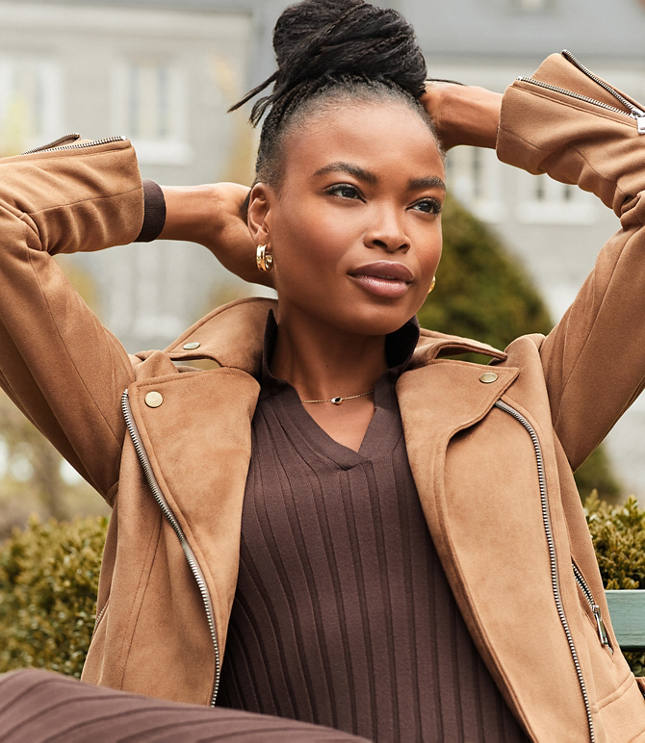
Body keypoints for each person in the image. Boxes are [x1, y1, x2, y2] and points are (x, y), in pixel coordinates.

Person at [0, 0, 644, 740]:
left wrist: (473, 112)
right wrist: (189, 209)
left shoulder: (524, 404)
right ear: (263, 214)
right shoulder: (154, 426)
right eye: (347, 191)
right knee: (22, 705)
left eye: (424, 203)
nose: (392, 232)